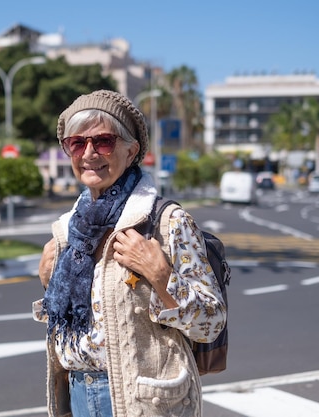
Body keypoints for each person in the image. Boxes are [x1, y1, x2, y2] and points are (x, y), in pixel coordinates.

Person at [32, 90, 227, 417]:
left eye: (103, 141)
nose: (89, 153)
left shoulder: (166, 222)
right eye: (76, 143)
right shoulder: (70, 230)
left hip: (144, 403)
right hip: (79, 397)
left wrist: (161, 276)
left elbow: (211, 323)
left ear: (131, 150)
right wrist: (48, 284)